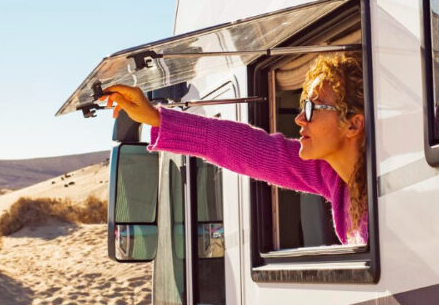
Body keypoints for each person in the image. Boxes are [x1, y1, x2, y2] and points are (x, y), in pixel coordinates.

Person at [101, 53, 368, 244]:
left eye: (312, 108)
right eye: (302, 108)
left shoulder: (383, 191)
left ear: (353, 125)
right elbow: (246, 148)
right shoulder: (333, 177)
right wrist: (156, 118)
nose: (299, 119)